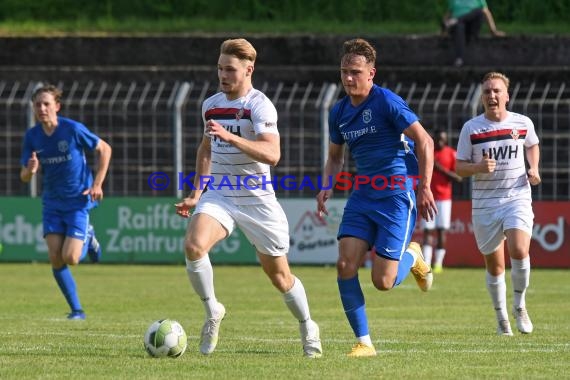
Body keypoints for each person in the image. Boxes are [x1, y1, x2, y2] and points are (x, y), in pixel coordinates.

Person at [174, 38, 322, 358]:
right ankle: (213, 310)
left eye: (229, 69)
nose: (222, 75)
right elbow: (205, 148)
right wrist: (197, 194)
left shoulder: (259, 106)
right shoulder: (211, 104)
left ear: (248, 70)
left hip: (258, 200)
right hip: (221, 193)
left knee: (280, 277)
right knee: (193, 245)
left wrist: (231, 137)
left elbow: (273, 154)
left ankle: (308, 325)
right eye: (219, 68)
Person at [316, 38, 437, 357]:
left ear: (371, 73)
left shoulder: (387, 102)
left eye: (355, 72)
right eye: (344, 72)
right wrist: (327, 184)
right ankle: (364, 342)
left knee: (383, 281)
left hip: (397, 195)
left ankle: (412, 256)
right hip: (363, 196)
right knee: (344, 263)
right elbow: (335, 156)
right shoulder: (339, 112)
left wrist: (424, 186)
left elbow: (425, 142)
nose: (348, 78)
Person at [456, 72, 540, 336]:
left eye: (496, 91)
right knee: (495, 266)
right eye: (487, 92)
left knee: (519, 249)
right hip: (485, 203)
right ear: (482, 98)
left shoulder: (522, 122)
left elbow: (532, 144)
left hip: (517, 196)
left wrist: (534, 168)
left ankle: (520, 305)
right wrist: (478, 167)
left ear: (506, 96)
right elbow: (459, 167)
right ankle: (501, 317)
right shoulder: (472, 128)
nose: (491, 96)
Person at [20, 84, 112, 320]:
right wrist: (30, 171)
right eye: (38, 104)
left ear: (57, 106)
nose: (42, 108)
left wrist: (97, 184)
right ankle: (77, 310)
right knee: (54, 256)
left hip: (78, 201)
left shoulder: (72, 129)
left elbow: (105, 149)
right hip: (52, 202)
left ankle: (89, 238)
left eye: (46, 103)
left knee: (71, 257)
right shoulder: (32, 136)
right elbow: (23, 175)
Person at [421, 129, 462, 273]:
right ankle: (426, 264)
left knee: (441, 231)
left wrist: (440, 169)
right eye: (437, 139)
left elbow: (458, 177)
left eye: (442, 139)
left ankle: (438, 264)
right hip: (428, 196)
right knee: (427, 231)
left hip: (444, 199)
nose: (440, 142)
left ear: (446, 140)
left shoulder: (451, 153)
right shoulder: (428, 152)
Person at [442, 0, 505, 67]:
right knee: (459, 26)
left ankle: (457, 20)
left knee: (479, 11)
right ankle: (459, 59)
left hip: (471, 28)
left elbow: (486, 12)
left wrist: (493, 31)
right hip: (458, 29)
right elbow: (448, 13)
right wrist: (443, 30)